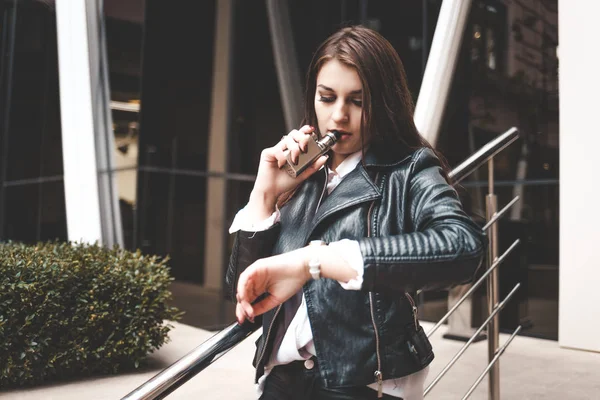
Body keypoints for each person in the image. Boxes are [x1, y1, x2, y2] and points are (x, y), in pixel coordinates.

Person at [226, 25, 486, 400]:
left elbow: (463, 247)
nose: (339, 116)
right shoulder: (299, 171)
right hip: (282, 380)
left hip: (364, 382)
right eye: (326, 97)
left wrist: (316, 260)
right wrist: (264, 194)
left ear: (385, 104)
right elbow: (241, 292)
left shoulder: (410, 169)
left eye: (358, 101)